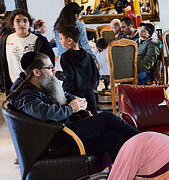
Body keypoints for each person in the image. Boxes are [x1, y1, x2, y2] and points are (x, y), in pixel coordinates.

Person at [7, 52, 139, 159]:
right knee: (108, 119)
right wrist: (72, 108)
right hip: (57, 141)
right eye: (49, 67)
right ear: (36, 72)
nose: (54, 70)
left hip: (62, 132)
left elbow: (59, 93)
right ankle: (147, 142)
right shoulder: (24, 94)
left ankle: (128, 179)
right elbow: (45, 113)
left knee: (114, 138)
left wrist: (75, 99)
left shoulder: (33, 81)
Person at [0, 8, 56, 93]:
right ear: (12, 24)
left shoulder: (40, 40)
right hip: (13, 85)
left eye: (25, 21)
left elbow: (50, 61)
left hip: (36, 85)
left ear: (29, 23)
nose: (21, 24)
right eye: (17, 21)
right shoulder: (5, 40)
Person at [58, 23, 99, 115]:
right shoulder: (87, 55)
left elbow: (69, 76)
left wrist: (57, 74)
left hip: (74, 95)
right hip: (89, 94)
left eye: (61, 38)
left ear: (69, 40)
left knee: (78, 120)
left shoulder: (65, 57)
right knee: (92, 118)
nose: (60, 41)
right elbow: (96, 74)